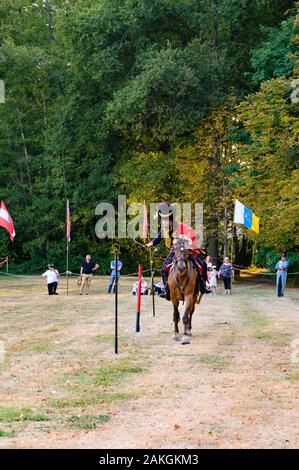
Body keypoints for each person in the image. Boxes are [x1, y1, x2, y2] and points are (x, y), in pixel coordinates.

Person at [145, 202, 210, 300]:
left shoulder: (179, 225)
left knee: (203, 265)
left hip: (187, 250)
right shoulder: (164, 230)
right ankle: (167, 290)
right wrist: (149, 244)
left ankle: (203, 286)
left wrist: (185, 238)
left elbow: (193, 234)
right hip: (174, 252)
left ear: (170, 219)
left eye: (166, 220)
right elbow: (157, 239)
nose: (164, 222)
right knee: (163, 269)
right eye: (162, 221)